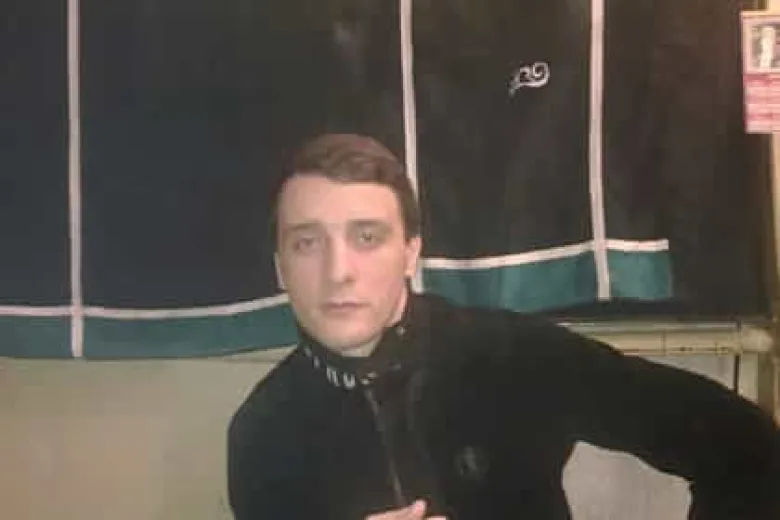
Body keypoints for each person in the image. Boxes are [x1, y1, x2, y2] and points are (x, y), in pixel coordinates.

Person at [227, 133, 780, 519]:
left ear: (410, 252)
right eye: (306, 243)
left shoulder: (513, 355)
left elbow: (745, 446)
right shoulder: (264, 431)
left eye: (366, 237)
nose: (338, 271)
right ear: (280, 267)